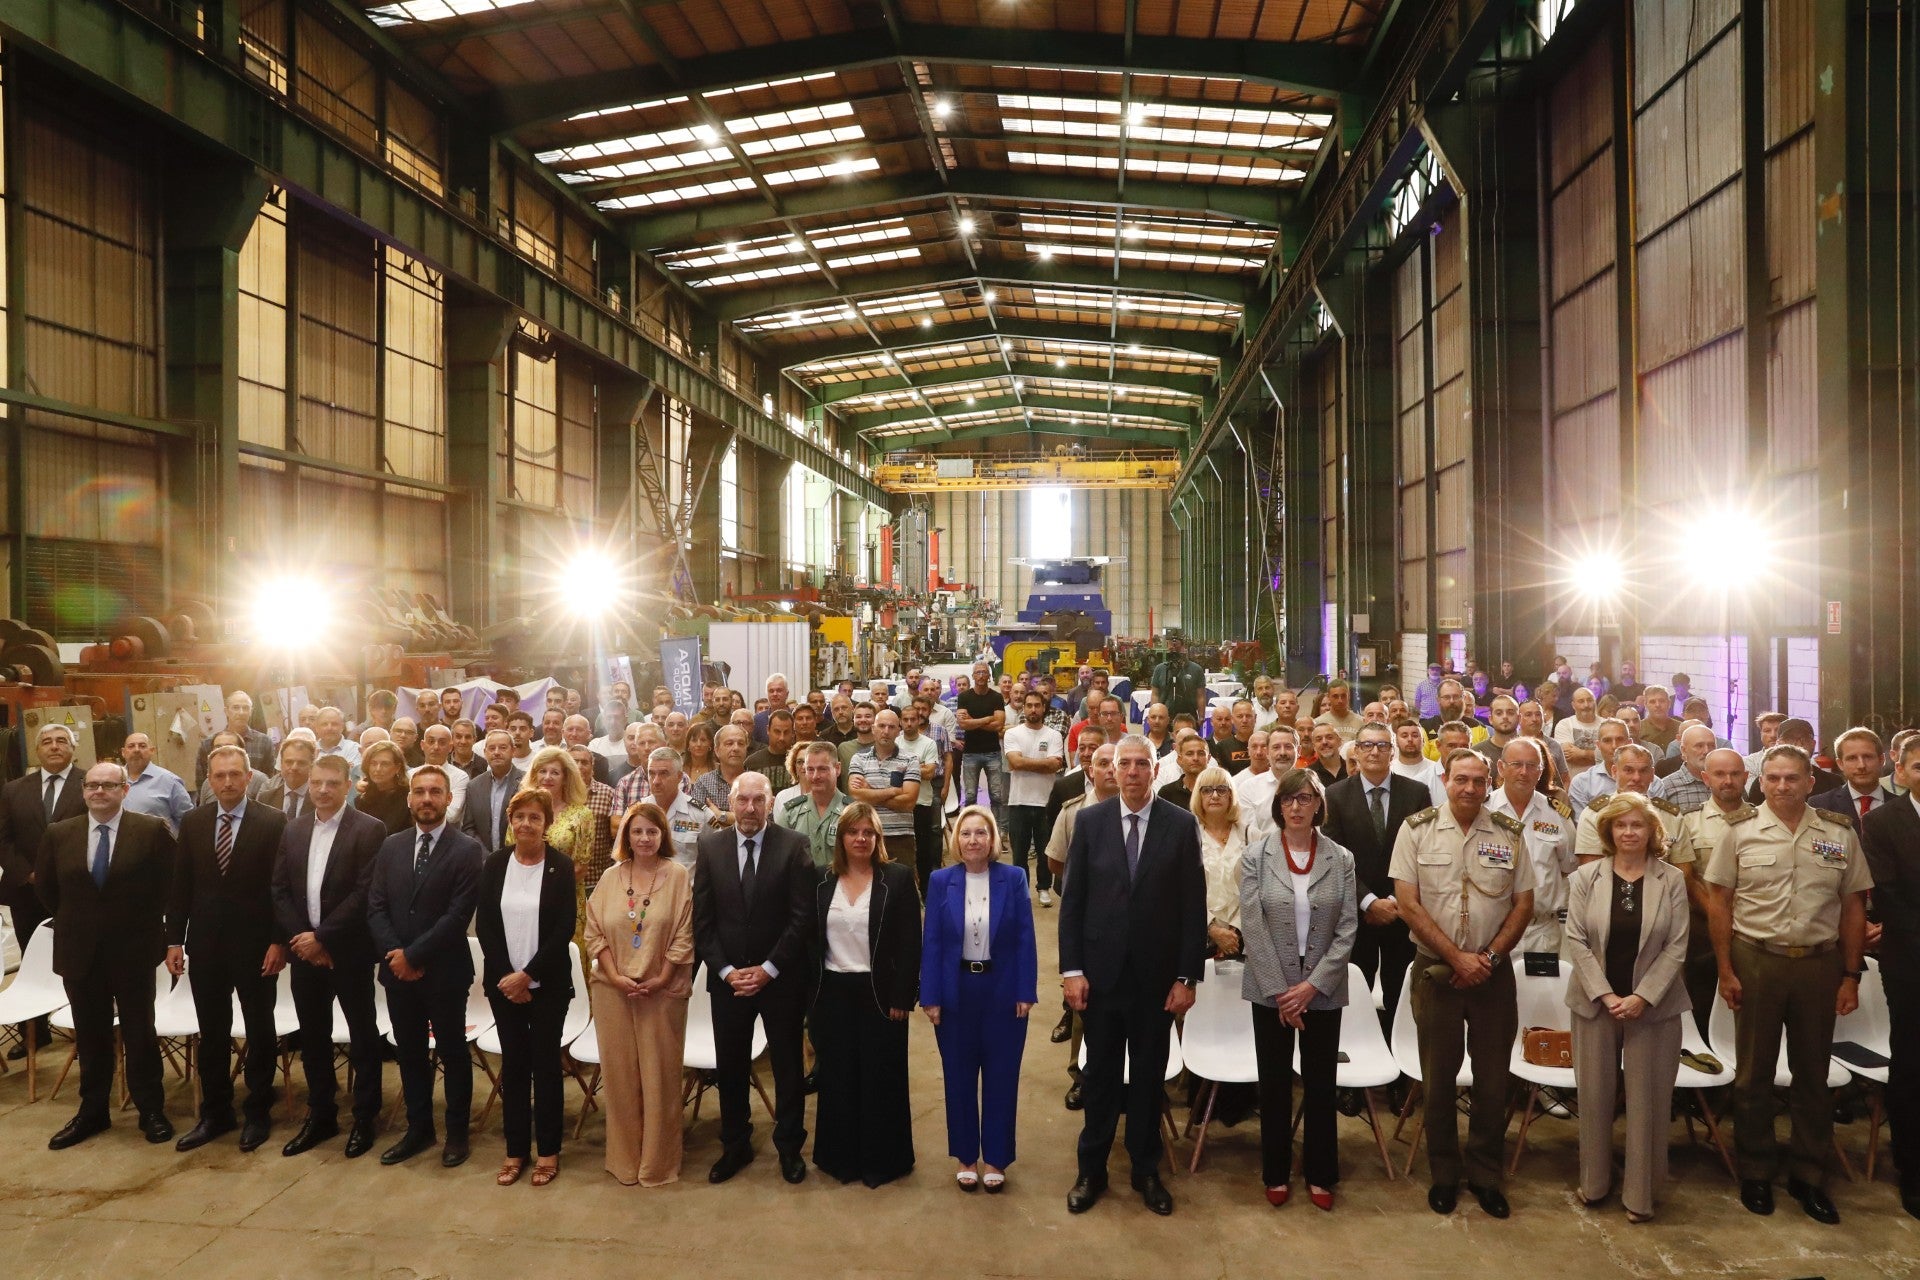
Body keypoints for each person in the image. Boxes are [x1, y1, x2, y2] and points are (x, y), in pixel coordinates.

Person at [1705, 744, 1872, 1224]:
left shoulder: (1839, 835)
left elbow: (1853, 907)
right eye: (1773, 778)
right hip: (1757, 959)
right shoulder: (1740, 832)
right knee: (1754, 1073)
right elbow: (1720, 902)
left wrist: (1850, 974)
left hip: (1819, 966)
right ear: (1763, 782)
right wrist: (1725, 969)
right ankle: (1755, 1169)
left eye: (1792, 778)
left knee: (1813, 1076)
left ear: (1810, 782)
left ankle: (1808, 1174)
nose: (1782, 786)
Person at [1061, 734, 1207, 1217]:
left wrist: (1186, 977)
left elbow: (1192, 908)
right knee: (1100, 1077)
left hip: (1155, 982)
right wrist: (1072, 971)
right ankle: (1092, 1170)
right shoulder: (1089, 822)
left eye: (1141, 763)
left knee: (1147, 1080)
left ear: (1154, 770)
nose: (1131, 772)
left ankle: (1145, 1169)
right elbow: (1073, 904)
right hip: (1100, 979)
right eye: (1123, 764)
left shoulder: (1181, 825)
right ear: (1111, 770)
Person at [1391, 749, 1532, 1218]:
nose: (1469, 788)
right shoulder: (1417, 829)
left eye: (1477, 781)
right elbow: (1407, 903)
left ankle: (1486, 1175)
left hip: (1493, 975)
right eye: (1460, 780)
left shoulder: (1509, 835)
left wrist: (1487, 958)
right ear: (1445, 781)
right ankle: (1445, 1174)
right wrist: (1457, 958)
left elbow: (1523, 903)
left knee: (1493, 1080)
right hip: (1437, 972)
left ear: (1489, 783)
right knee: (1438, 1080)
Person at [1563, 793, 1692, 1223]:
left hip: (1653, 1008)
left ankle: (1641, 1193)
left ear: (1652, 832)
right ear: (1609, 832)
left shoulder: (1671, 879)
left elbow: (1677, 947)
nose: (1629, 832)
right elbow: (1576, 941)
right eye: (1621, 826)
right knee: (1595, 1096)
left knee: (1648, 1102)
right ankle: (1594, 1182)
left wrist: (1643, 997)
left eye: (1638, 825)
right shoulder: (1585, 878)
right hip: (1595, 1004)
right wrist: (1605, 995)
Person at [39, 761, 178, 1149]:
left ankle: (150, 1109)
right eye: (92, 785)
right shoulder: (59, 833)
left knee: (140, 1032)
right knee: (90, 1035)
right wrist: (79, 921)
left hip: (133, 951)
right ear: (83, 790)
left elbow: (169, 886)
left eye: (109, 785)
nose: (99, 791)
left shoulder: (150, 831)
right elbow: (49, 890)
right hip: (80, 952)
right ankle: (93, 1111)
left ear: (124, 790)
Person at [1239, 768, 1359, 1210]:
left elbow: (1347, 929)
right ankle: (1275, 1171)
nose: (1296, 806)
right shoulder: (1256, 855)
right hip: (1270, 991)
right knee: (1273, 1086)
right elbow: (1252, 924)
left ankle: (1321, 1173)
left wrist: (1311, 987)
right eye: (1289, 799)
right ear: (1278, 806)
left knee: (1321, 1085)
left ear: (1317, 805)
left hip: (1322, 991)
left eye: (1305, 799)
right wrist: (1282, 992)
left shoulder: (1341, 858)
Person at [692, 771, 815, 1185]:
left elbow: (802, 918)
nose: (748, 808)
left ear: (770, 802)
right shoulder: (710, 846)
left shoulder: (794, 845)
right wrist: (726, 971)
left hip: (779, 980)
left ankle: (789, 1149)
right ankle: (735, 1145)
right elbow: (703, 920)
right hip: (728, 981)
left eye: (756, 801)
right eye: (741, 800)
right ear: (730, 801)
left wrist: (768, 970)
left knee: (786, 1068)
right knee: (730, 1067)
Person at [168, 745, 291, 1153]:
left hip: (257, 947)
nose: (226, 782)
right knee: (213, 1032)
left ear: (249, 775)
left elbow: (281, 889)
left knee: (259, 1029)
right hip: (205, 946)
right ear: (208, 778)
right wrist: (174, 939)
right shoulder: (194, 821)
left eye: (235, 774)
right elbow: (181, 884)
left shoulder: (273, 821)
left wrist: (279, 940)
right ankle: (216, 1113)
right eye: (219, 775)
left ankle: (257, 1112)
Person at [271, 753, 388, 1159]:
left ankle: (365, 1116)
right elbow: (281, 890)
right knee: (313, 1037)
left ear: (348, 784)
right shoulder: (294, 829)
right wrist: (303, 940)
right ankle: (321, 1115)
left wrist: (323, 938)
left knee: (363, 1035)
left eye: (332, 784)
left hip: (348, 953)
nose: (322, 790)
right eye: (316, 783)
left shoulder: (370, 829)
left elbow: (365, 892)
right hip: (305, 954)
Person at [368, 766, 485, 1167]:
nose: (427, 799)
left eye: (436, 792)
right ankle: (418, 1129)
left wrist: (413, 956)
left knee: (453, 1054)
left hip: (445, 972)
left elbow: (457, 916)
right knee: (411, 1054)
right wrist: (396, 956)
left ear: (449, 799)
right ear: (409, 799)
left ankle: (456, 1134)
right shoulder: (391, 846)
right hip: (397, 973)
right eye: (419, 792)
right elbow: (376, 906)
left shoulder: (468, 850)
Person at [923, 805, 1036, 1192]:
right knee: (958, 1077)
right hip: (956, 993)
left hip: (1003, 992)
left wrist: (1026, 990)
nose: (974, 840)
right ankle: (966, 1156)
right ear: (957, 840)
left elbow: (1025, 938)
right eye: (967, 833)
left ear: (993, 840)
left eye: (981, 833)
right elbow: (933, 942)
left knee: (1002, 1077)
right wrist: (931, 996)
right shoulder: (941, 880)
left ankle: (997, 1158)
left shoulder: (1014, 877)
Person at [809, 802, 921, 1187]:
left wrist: (904, 997)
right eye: (853, 832)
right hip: (832, 992)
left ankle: (882, 1161)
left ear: (877, 838)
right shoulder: (822, 881)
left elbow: (910, 943)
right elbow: (810, 942)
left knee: (881, 1078)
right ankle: (840, 1159)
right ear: (841, 838)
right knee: (838, 1078)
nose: (861, 839)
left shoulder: (898, 879)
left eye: (868, 833)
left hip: (881, 993)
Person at [584, 801, 695, 1186]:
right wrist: (614, 976)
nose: (644, 838)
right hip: (613, 992)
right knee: (621, 1077)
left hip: (662, 993)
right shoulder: (611, 877)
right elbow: (593, 931)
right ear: (625, 836)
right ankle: (625, 1160)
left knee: (659, 1077)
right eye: (636, 832)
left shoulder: (678, 875)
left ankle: (657, 1163)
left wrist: (662, 977)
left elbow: (684, 933)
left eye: (651, 831)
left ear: (663, 835)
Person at [476, 787, 578, 1187]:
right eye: (520, 817)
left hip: (548, 985)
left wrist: (529, 974)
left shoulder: (560, 865)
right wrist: (508, 977)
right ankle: (515, 1151)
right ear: (510, 821)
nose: (526, 824)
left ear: (546, 824)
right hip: (505, 987)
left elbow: (563, 930)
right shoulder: (495, 864)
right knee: (514, 1069)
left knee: (546, 1067)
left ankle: (549, 1152)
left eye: (535, 817)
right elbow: (485, 925)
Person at [1321, 722, 1433, 1026]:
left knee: (1404, 994)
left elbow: (1425, 854)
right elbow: (1333, 857)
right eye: (1367, 745)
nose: (1374, 751)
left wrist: (1397, 901)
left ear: (1392, 751)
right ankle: (1357, 1054)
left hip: (1404, 911)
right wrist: (1368, 902)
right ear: (1356, 751)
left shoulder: (1417, 793)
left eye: (1382, 745)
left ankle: (1401, 1060)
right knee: (1355, 992)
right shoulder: (1335, 795)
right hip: (1356, 914)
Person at [0, 723, 89, 1057]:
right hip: (27, 892)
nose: (54, 746)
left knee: (82, 961)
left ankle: (86, 1029)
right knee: (31, 960)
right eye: (47, 742)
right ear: (37, 750)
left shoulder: (90, 783)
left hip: (76, 890)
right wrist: (28, 872)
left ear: (72, 748)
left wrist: (61, 872)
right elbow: (3, 839)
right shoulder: (13, 790)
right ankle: (34, 1032)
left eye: (61, 741)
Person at [1861, 733, 1920, 1220]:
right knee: (1913, 1064)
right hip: (1911, 962)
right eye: (1919, 766)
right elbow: (1888, 895)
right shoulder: (1882, 823)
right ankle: (1913, 1168)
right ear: (1899, 771)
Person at [1486, 739, 1577, 955]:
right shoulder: (1484, 811)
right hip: (1493, 931)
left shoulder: (1556, 813)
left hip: (1542, 932)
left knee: (1544, 990)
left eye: (1532, 765)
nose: (1524, 772)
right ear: (1501, 768)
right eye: (1516, 764)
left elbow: (1568, 866)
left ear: (1541, 771)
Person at [846, 707, 922, 887]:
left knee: (903, 889)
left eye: (891, 727)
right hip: (865, 835)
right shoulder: (858, 759)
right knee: (867, 888)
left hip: (900, 837)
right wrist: (894, 791)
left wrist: (870, 790)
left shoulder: (910, 760)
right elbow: (856, 794)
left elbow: (909, 802)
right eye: (881, 726)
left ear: (898, 731)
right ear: (873, 728)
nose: (885, 731)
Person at [1003, 690, 1066, 906]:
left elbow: (1055, 765)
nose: (1033, 709)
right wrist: (1042, 764)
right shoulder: (1013, 734)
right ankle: (1021, 890)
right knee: (1019, 852)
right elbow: (1015, 763)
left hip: (1046, 802)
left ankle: (1043, 888)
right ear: (1023, 708)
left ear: (1043, 708)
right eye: (1029, 705)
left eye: (1037, 705)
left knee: (1044, 850)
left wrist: (1024, 761)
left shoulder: (1054, 735)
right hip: (1018, 801)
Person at [1192, 766, 1246, 962]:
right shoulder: (1188, 838)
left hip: (1245, 939)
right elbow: (1184, 893)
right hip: (1200, 938)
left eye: (1221, 789)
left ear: (1231, 795)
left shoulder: (1250, 835)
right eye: (1207, 790)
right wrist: (1212, 929)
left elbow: (1259, 888)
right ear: (1199, 796)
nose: (1214, 795)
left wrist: (1235, 931)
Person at [775, 741, 849, 869]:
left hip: (840, 885)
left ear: (837, 769)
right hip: (801, 886)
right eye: (810, 769)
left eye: (822, 769)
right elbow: (778, 856)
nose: (815, 776)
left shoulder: (852, 811)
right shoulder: (791, 812)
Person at [1811, 727, 1893, 833]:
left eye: (1867, 757)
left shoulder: (1903, 807)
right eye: (1852, 758)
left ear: (1882, 760)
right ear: (1840, 764)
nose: (1861, 765)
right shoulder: (1820, 805)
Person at [462, 728, 525, 851]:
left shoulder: (527, 782)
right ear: (485, 753)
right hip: (483, 862)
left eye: (502, 747)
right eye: (491, 748)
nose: (496, 752)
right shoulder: (473, 786)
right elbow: (469, 828)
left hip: (518, 857)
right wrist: (486, 858)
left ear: (513, 751)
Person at [119, 731, 193, 834]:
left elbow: (188, 821)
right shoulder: (113, 781)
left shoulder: (169, 781)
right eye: (131, 746)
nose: (136, 750)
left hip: (160, 848)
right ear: (123, 752)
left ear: (152, 750)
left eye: (142, 746)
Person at [354, 740, 414, 833]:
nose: (377, 769)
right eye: (373, 763)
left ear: (397, 768)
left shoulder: (409, 798)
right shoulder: (362, 800)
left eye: (384, 764)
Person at [1148, 636, 1206, 720]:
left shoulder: (1196, 669)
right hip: (1164, 716)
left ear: (1184, 647)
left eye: (1177, 646)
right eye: (1171, 645)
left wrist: (1201, 716)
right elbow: (1155, 694)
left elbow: (1201, 696)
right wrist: (1154, 715)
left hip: (1188, 716)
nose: (1174, 649)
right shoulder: (1160, 669)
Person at [1313, 679, 1367, 743]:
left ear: (1349, 696)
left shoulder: (1361, 722)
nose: (1340, 700)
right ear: (1328, 697)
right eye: (1335, 696)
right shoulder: (1318, 722)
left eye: (1343, 696)